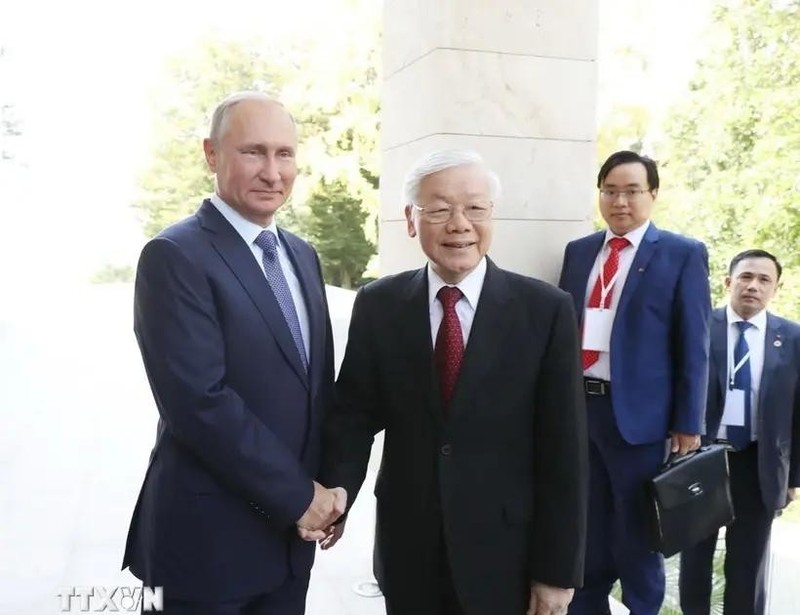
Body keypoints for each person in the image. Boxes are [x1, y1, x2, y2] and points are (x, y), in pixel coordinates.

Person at [317, 149, 589, 615]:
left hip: (508, 557)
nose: (459, 224)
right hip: (409, 551)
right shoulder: (380, 305)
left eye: (475, 208)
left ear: (491, 216)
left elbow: (564, 450)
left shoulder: (544, 310)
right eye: (439, 209)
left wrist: (557, 571)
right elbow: (356, 413)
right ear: (410, 219)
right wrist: (336, 491)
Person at [121, 91, 344, 614]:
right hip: (208, 549)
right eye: (254, 152)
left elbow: (316, 388)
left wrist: (333, 490)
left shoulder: (301, 255)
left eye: (285, 154)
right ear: (212, 154)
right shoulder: (175, 256)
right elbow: (201, 404)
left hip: (290, 548)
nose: (273, 171)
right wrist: (301, 497)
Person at [557, 150, 711, 615]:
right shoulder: (580, 252)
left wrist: (688, 422)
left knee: (638, 531)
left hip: (640, 420)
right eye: (610, 191)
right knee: (586, 526)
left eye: (631, 191)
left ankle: (643, 607)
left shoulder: (682, 254)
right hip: (582, 409)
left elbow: (695, 343)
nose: (619, 201)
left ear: (653, 194)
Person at [679, 249, 800, 615]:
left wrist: (792, 477)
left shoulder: (792, 338)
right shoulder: (700, 326)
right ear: (729, 282)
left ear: (775, 289)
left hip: (759, 463)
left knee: (748, 566)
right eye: (746, 277)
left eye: (764, 280)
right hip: (702, 460)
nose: (753, 286)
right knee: (695, 561)